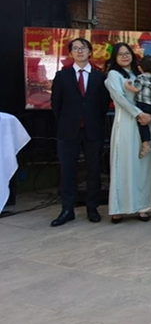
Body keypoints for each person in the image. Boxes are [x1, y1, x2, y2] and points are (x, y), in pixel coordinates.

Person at [50, 38, 109, 226]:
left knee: (94, 171)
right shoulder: (62, 76)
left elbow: (102, 105)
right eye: (75, 49)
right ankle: (67, 209)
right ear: (71, 54)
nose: (79, 51)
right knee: (67, 171)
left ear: (90, 52)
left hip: (93, 130)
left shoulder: (100, 77)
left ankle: (92, 208)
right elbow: (56, 105)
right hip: (68, 131)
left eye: (83, 48)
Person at [105, 43, 151, 223]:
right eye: (120, 54)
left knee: (143, 165)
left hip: (145, 122)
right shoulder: (114, 75)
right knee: (124, 165)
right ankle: (119, 208)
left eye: (127, 53)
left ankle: (143, 206)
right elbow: (119, 98)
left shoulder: (139, 75)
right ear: (115, 58)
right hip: (127, 122)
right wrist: (138, 114)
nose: (125, 57)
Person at [124, 55, 151, 159]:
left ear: (140, 67)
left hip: (142, 103)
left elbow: (136, 89)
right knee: (147, 124)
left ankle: (145, 144)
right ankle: (147, 143)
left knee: (142, 123)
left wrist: (127, 85)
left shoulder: (140, 77)